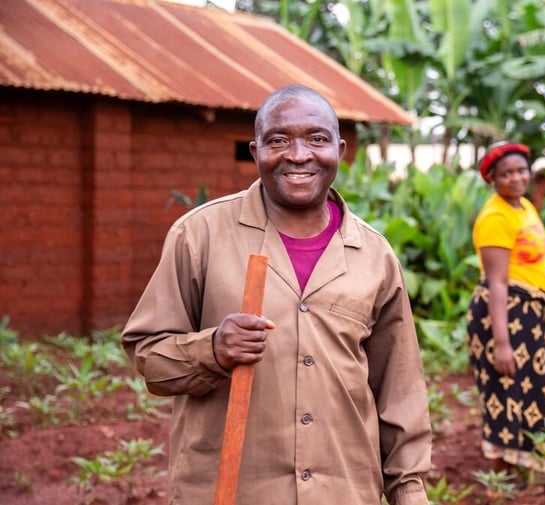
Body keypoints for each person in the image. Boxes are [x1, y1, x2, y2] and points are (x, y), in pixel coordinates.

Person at [122, 84, 432, 505]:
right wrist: (212, 349)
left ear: (340, 150)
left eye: (317, 139)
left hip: (342, 491)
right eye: (278, 140)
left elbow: (400, 388)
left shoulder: (374, 254)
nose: (299, 155)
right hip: (230, 492)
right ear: (256, 152)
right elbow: (148, 356)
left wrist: (408, 491)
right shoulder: (200, 235)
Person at [465, 141, 545, 477]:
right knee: (504, 394)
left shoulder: (522, 207)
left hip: (528, 317)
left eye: (521, 170)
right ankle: (500, 482)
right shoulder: (494, 217)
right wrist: (502, 343)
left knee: (538, 389)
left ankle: (523, 475)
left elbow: (533, 258)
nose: (515, 178)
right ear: (491, 178)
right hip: (503, 317)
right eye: (505, 173)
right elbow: (497, 283)